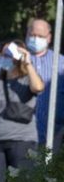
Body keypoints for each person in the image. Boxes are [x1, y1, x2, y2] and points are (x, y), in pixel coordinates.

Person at [0, 39, 43, 182]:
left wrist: (28, 63)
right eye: (3, 54)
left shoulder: (26, 80)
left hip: (22, 141)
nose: (5, 58)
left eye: (9, 54)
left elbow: (38, 88)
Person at [25, 18, 64, 148]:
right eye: (33, 35)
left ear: (49, 38)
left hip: (55, 133)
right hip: (21, 136)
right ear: (27, 34)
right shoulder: (15, 59)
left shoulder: (61, 63)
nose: (36, 39)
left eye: (40, 36)